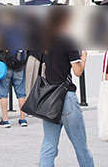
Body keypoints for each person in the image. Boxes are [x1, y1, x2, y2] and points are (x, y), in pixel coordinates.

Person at [37, 9, 94, 167]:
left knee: (48, 145)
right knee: (81, 147)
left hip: (48, 97)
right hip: (66, 97)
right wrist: (84, 58)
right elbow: (78, 71)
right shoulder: (69, 40)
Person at [0, 49, 28, 128]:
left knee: (3, 94)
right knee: (21, 94)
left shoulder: (2, 36)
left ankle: (5, 120)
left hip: (5, 66)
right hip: (19, 66)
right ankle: (23, 119)